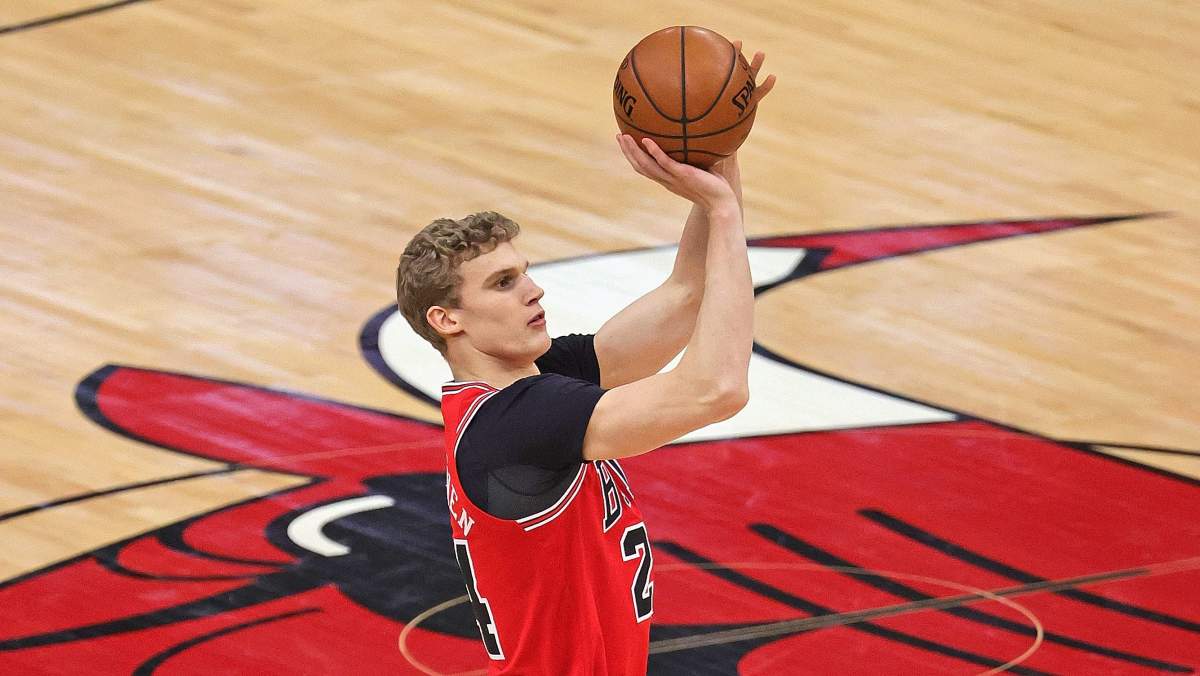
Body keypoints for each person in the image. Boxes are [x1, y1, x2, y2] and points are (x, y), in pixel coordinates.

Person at [395, 48, 774, 676]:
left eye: (525, 273)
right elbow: (716, 389)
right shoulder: (519, 424)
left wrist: (719, 149)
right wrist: (724, 213)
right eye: (504, 283)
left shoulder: (536, 383)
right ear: (447, 320)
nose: (533, 290)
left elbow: (686, 295)